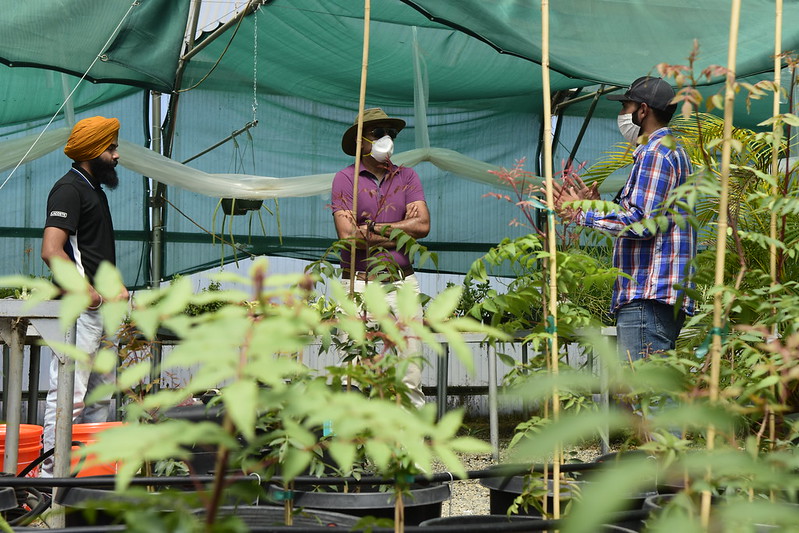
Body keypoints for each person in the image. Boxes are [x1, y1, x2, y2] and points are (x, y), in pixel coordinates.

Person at [553, 76, 695, 362]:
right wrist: (598, 206)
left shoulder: (655, 153)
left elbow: (641, 223)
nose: (621, 114)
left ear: (643, 110)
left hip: (647, 295)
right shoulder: (671, 151)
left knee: (643, 385)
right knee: (653, 384)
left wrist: (580, 213)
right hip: (657, 296)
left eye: (625, 107)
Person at [40, 116, 128, 476]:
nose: (117, 155)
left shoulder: (93, 191)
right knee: (69, 397)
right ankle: (49, 480)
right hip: (83, 313)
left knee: (98, 400)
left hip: (104, 313)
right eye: (111, 148)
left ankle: (87, 475)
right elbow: (52, 250)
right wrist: (88, 294)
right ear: (92, 151)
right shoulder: (69, 189)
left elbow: (89, 253)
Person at [330, 108, 430, 408]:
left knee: (410, 371)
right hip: (359, 284)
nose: (387, 139)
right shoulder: (345, 179)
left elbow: (422, 226)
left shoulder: (407, 176)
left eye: (391, 133)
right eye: (378, 133)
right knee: (356, 371)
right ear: (359, 140)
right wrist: (402, 230)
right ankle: (359, 437)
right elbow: (349, 236)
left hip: (402, 284)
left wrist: (372, 229)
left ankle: (410, 435)